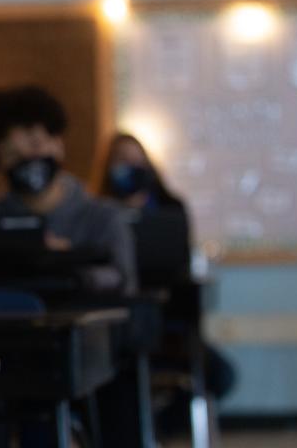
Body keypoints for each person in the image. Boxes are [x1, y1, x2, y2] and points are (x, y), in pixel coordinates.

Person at [97, 132, 236, 436]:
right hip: (116, 329)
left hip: (169, 328)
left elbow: (181, 267)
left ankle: (151, 431)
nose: (130, 168)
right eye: (122, 161)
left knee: (221, 376)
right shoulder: (98, 214)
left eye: (136, 161)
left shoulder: (170, 209)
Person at [0, 85, 137, 295]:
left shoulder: (104, 217)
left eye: (36, 144)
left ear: (58, 144)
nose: (28, 158)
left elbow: (123, 282)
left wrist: (66, 262)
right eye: (13, 155)